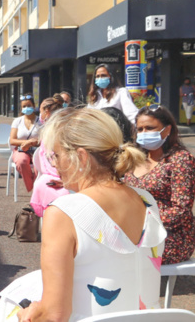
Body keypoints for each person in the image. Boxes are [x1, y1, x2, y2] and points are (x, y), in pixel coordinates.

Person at [10, 108, 166, 321]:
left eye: (56, 156)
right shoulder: (147, 201)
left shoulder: (64, 212)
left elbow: (54, 316)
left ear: (81, 157)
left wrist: (28, 314)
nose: (54, 164)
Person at [122, 105, 195, 265]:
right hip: (135, 230)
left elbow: (181, 210)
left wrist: (141, 225)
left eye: (150, 128)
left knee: (119, 253)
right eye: (140, 129)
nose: (143, 133)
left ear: (167, 129)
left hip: (171, 237)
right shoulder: (136, 158)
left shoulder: (181, 160)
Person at [10, 94, 41, 192]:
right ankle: (32, 188)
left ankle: (36, 191)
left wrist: (34, 143)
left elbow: (45, 138)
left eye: (29, 105)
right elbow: (12, 140)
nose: (26, 108)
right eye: (24, 106)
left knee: (40, 166)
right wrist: (27, 142)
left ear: (34, 106)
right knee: (21, 162)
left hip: (38, 150)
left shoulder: (41, 121)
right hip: (21, 150)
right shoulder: (17, 121)